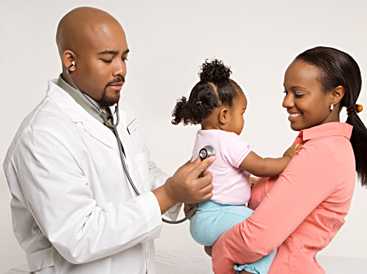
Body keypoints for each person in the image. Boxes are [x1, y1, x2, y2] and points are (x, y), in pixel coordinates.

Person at [2, 7, 214, 274]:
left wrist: (188, 188)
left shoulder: (118, 117)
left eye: (124, 58)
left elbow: (140, 175)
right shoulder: (42, 136)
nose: (121, 70)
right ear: (71, 61)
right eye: (107, 59)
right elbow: (78, 236)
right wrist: (170, 193)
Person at [210, 46, 367, 274]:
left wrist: (220, 248)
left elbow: (256, 239)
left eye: (298, 94)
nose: (286, 102)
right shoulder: (310, 145)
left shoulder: (324, 153)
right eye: (286, 92)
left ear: (336, 94)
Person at [171, 59, 300, 274]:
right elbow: (260, 166)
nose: (242, 119)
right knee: (266, 231)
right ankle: (250, 271)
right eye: (242, 113)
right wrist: (287, 160)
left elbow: (222, 174)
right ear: (224, 116)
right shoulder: (227, 140)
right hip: (218, 214)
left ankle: (221, 247)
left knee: (253, 231)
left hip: (203, 218)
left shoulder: (203, 139)